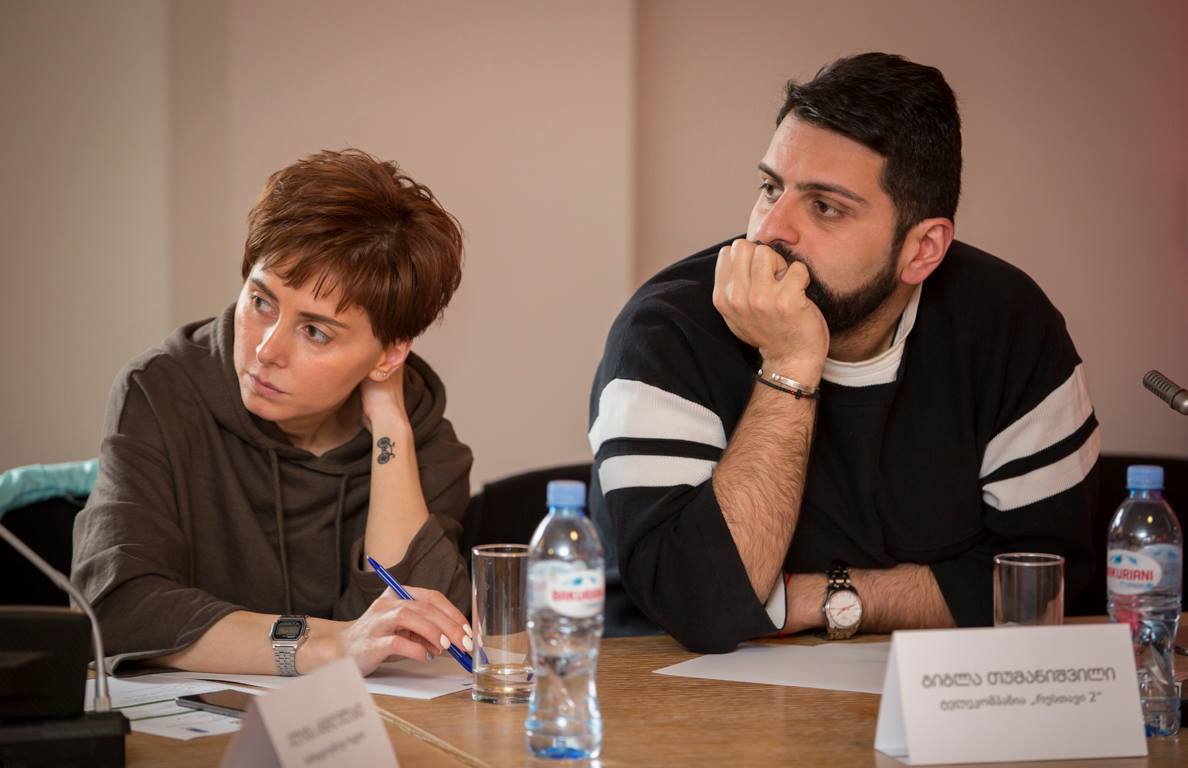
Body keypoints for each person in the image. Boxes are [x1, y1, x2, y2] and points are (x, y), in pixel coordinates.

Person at [588, 53, 1099, 653]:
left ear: (923, 249)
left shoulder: (1010, 325)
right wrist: (788, 367)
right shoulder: (666, 330)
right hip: (680, 695)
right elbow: (700, 604)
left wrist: (821, 600)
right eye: (770, 188)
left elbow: (1042, 582)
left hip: (924, 694)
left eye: (825, 207)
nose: (769, 231)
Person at [73, 149, 475, 675]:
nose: (266, 350)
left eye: (315, 332)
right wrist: (326, 645)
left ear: (390, 354)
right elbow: (116, 609)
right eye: (261, 302)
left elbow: (414, 635)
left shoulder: (422, 441)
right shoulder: (160, 392)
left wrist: (390, 426)